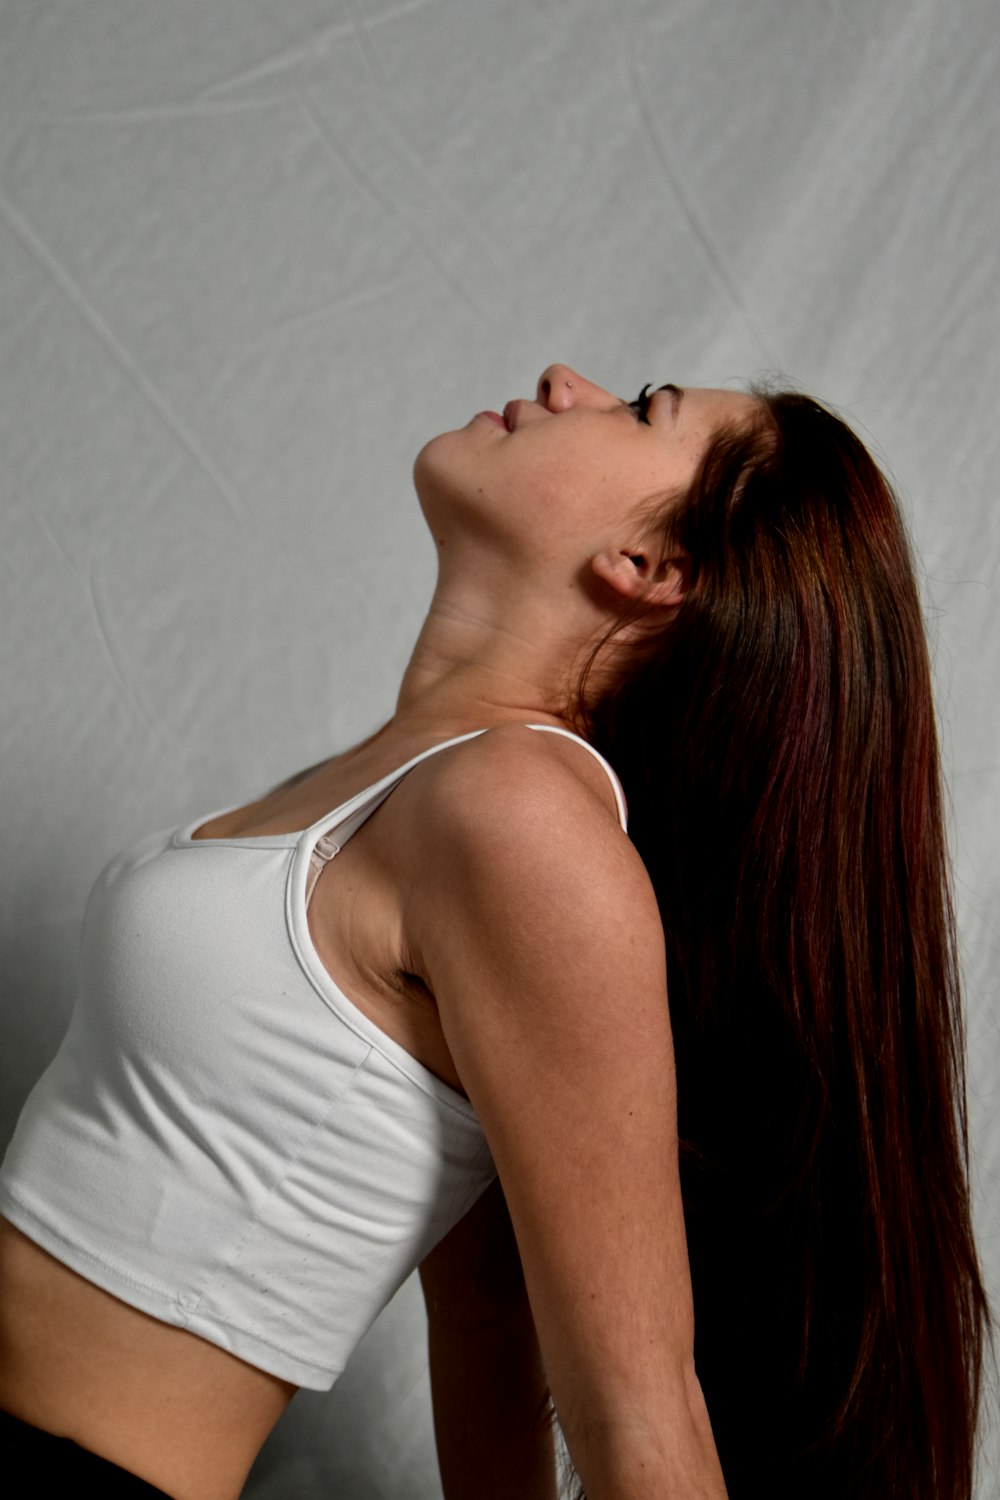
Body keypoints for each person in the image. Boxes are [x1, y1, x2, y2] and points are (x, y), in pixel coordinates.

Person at [0, 363, 989, 1500]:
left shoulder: (520, 821)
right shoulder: (403, 790)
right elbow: (482, 1311)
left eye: (637, 409)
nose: (565, 379)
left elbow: (640, 1417)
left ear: (651, 568)